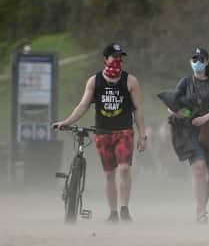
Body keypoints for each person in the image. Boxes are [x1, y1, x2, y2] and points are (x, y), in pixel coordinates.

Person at [52, 43, 148, 223]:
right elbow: (83, 106)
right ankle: (112, 212)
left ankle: (124, 208)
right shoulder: (94, 81)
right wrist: (66, 122)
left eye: (121, 57)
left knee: (124, 169)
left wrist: (143, 135)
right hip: (103, 133)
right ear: (105, 59)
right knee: (109, 173)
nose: (118, 61)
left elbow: (138, 109)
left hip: (124, 132)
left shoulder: (130, 81)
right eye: (115, 57)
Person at [170, 47, 209, 223]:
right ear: (190, 61)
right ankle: (200, 211)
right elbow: (172, 103)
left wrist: (205, 118)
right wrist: (180, 113)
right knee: (199, 168)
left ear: (207, 62)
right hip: (191, 132)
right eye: (194, 59)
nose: (197, 62)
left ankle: (202, 206)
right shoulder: (185, 83)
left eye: (201, 59)